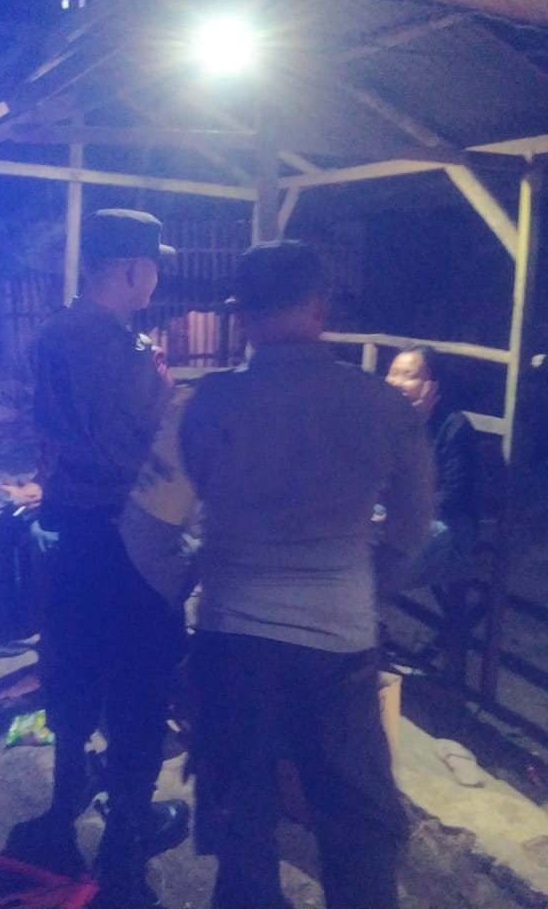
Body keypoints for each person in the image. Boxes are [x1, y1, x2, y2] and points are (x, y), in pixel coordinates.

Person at [125, 240, 434, 909]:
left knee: (242, 830)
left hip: (233, 648)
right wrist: (363, 589)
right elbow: (414, 531)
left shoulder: (202, 407)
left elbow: (145, 532)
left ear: (239, 316)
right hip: (341, 653)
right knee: (359, 833)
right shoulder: (385, 408)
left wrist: (192, 587)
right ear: (320, 307)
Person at [19, 209, 188, 908]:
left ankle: (62, 810)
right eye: (153, 266)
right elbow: (148, 442)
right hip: (126, 540)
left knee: (72, 671)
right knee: (138, 690)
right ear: (131, 269)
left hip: (70, 533)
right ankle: (125, 844)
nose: (157, 278)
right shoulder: (119, 348)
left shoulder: (53, 333)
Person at [384, 346, 479, 582]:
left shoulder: (455, 426)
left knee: (386, 557)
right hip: (394, 513)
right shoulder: (387, 421)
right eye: (393, 373)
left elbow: (453, 495)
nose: (396, 382)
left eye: (409, 376)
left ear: (433, 385)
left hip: (447, 524)